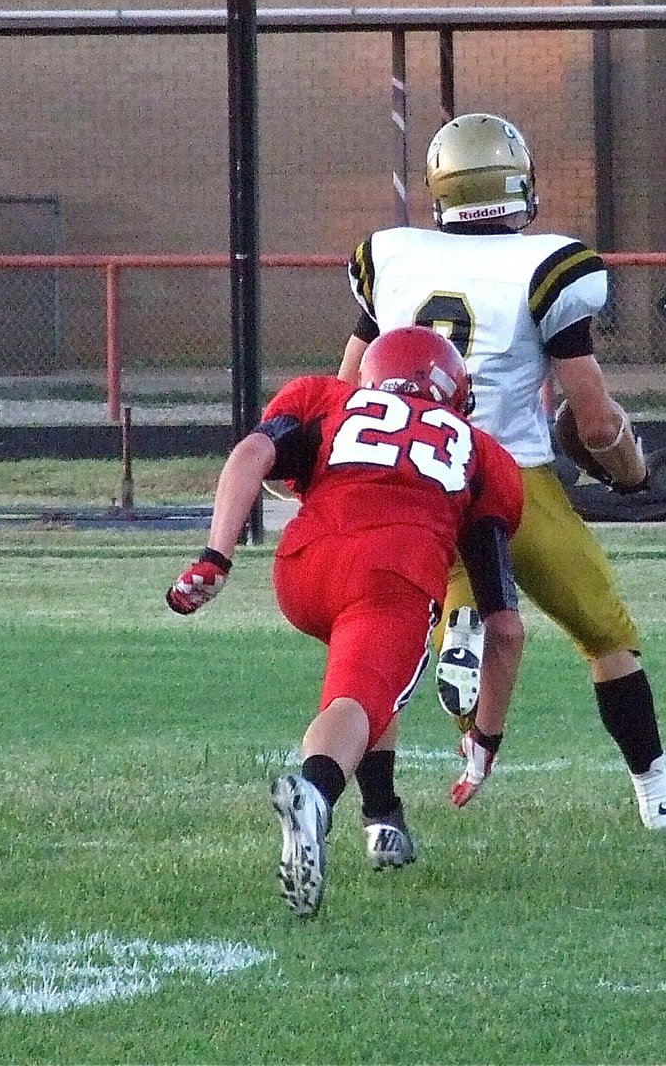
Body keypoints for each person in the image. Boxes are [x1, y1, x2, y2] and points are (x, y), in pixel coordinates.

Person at [339, 112, 666, 833]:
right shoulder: (548, 266)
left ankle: (456, 633)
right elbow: (597, 420)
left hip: (415, 476)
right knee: (606, 634)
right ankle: (657, 794)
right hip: (512, 474)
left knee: (400, 626)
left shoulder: (390, 257)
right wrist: (631, 473)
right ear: (518, 182)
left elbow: (350, 384)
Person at [166, 326, 524, 917]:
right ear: (455, 394)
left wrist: (216, 555)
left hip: (303, 569)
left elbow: (252, 454)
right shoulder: (483, 455)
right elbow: (505, 629)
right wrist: (485, 737)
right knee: (357, 700)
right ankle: (316, 794)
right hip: (392, 574)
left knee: (373, 683)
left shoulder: (326, 398)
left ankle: (382, 819)